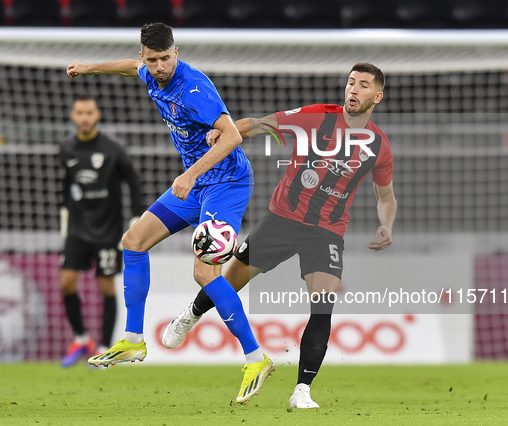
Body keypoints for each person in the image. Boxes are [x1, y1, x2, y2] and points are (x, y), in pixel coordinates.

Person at [162, 63, 397, 408]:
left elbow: (386, 198)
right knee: (230, 282)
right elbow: (261, 124)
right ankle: (191, 314)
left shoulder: (378, 145)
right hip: (281, 221)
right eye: (350, 82)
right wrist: (227, 133)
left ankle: (302, 390)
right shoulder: (318, 117)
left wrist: (386, 224)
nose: (353, 89)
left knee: (322, 308)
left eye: (363, 85)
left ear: (377, 96)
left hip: (327, 232)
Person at [66, 23, 273, 402]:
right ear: (146, 54)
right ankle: (132, 340)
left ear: (176, 52)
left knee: (203, 271)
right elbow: (131, 67)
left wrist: (191, 173)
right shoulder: (147, 69)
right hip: (194, 186)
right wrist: (90, 68)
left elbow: (233, 135)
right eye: (154, 59)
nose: (160, 66)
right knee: (134, 240)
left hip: (225, 184)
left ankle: (256, 357)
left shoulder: (194, 88)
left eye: (167, 58)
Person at [59, 94, 144, 368]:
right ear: (74, 116)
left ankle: (106, 346)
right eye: (79, 112)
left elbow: (134, 182)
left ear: (97, 116)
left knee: (106, 285)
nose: (84, 117)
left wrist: (135, 218)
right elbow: (64, 187)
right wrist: (64, 217)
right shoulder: (66, 149)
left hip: (108, 230)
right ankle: (81, 338)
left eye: (89, 113)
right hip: (78, 229)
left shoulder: (113, 149)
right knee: (66, 282)